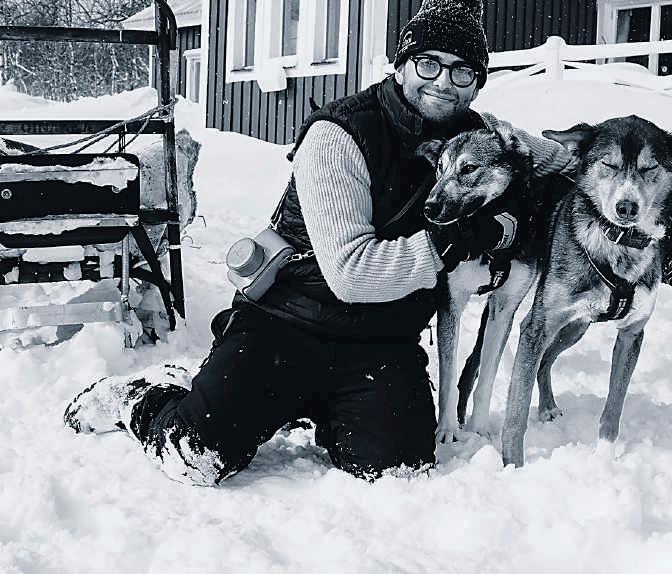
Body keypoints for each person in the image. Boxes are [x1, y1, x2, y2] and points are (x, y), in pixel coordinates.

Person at [63, 0, 574, 485]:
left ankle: (320, 406)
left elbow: (571, 163)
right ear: (401, 66)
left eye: (463, 71)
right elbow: (352, 274)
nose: (444, 81)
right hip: (288, 321)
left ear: (477, 85)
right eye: (428, 64)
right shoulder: (340, 133)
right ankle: (143, 396)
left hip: (382, 340)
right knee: (197, 454)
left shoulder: (484, 138)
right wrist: (458, 240)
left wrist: (533, 210)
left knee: (397, 470)